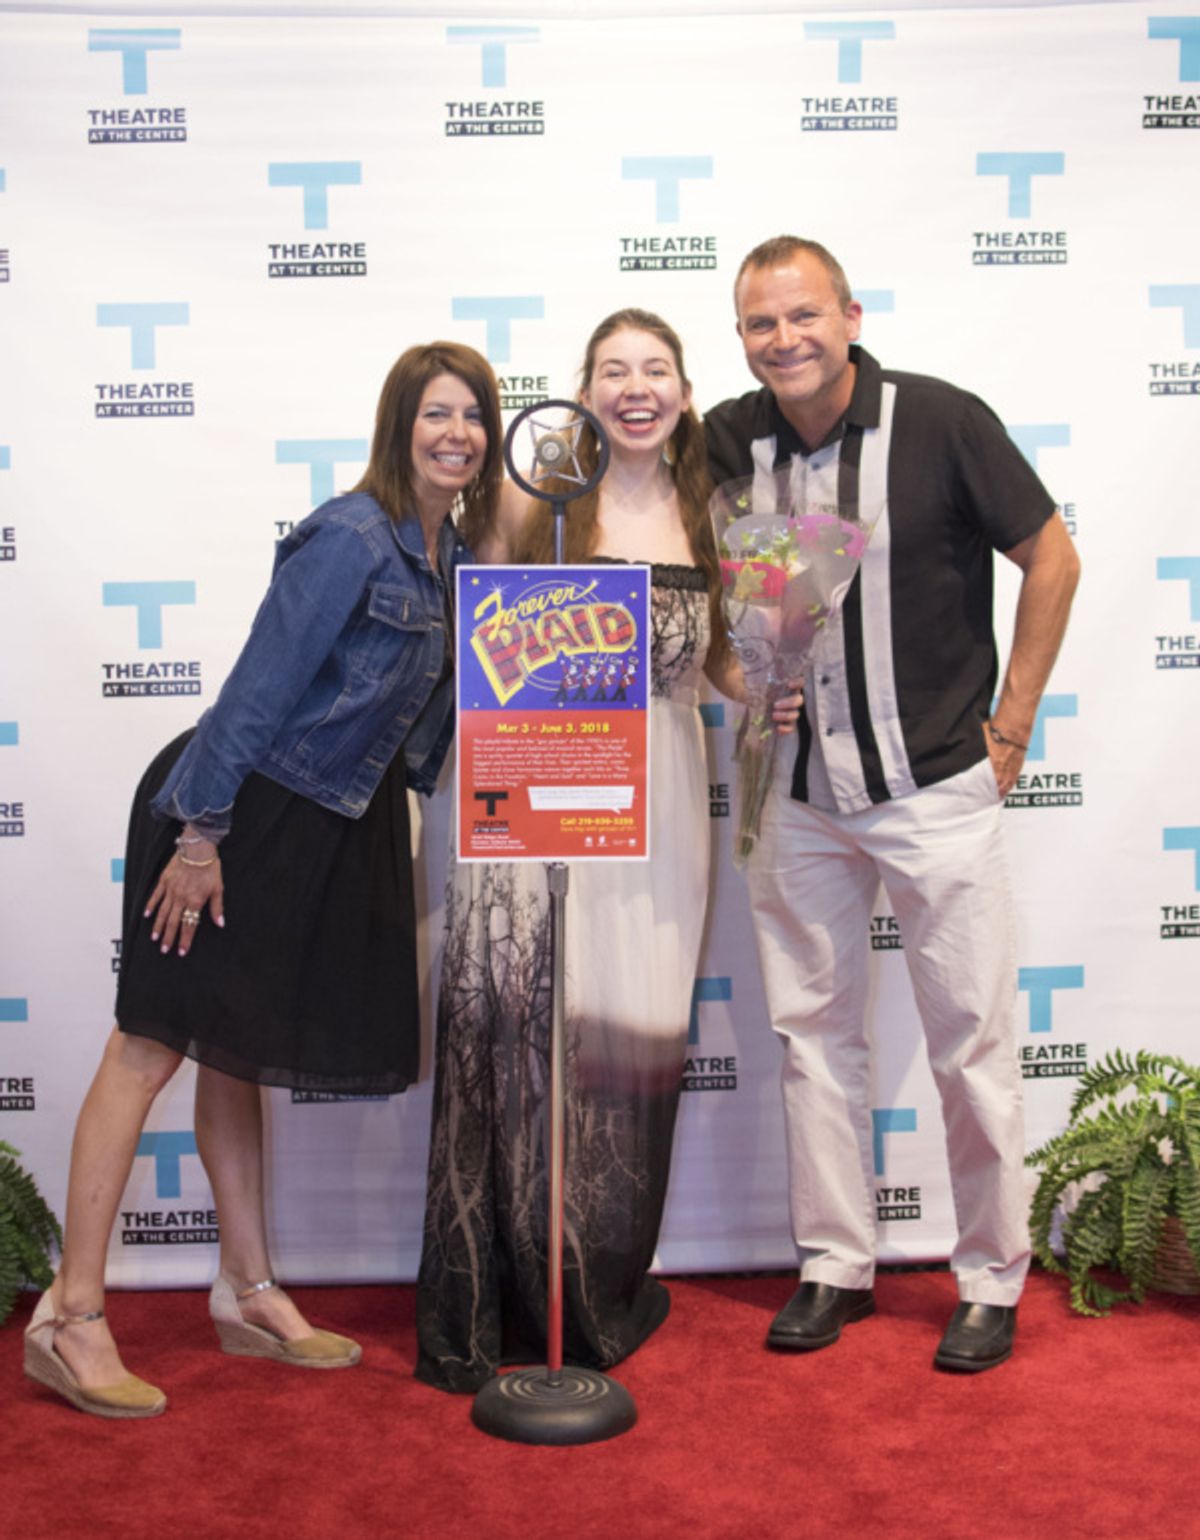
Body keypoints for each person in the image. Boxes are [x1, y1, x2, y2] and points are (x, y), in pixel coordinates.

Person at [23, 342, 502, 1418]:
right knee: (148, 1044)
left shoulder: (450, 553)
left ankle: (245, 1291)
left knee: (232, 1054)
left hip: (333, 822)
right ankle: (71, 1313)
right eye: (437, 413)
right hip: (239, 812)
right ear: (399, 424)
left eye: (474, 415)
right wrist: (200, 834)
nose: (457, 434)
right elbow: (255, 685)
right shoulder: (350, 536)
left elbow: (426, 721)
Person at [704, 236, 1080, 1373]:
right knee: (813, 1037)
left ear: (851, 315)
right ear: (742, 337)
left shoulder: (943, 419)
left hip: (933, 783)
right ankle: (834, 1264)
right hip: (798, 792)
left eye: (804, 316)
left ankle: (989, 1278)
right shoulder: (724, 438)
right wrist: (737, 681)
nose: (786, 340)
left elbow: (1051, 556)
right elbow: (687, 580)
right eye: (762, 323)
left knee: (971, 1036)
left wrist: (1011, 722)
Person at [415, 308, 798, 1392]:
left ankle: (595, 1287)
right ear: (584, 390)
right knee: (522, 1025)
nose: (637, 388)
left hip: (661, 808)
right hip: (535, 798)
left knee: (626, 1039)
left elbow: (721, 663)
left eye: (657, 371)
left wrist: (767, 691)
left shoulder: (711, 510)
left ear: (684, 391)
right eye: (614, 370)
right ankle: (496, 1299)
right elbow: (471, 631)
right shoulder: (532, 498)